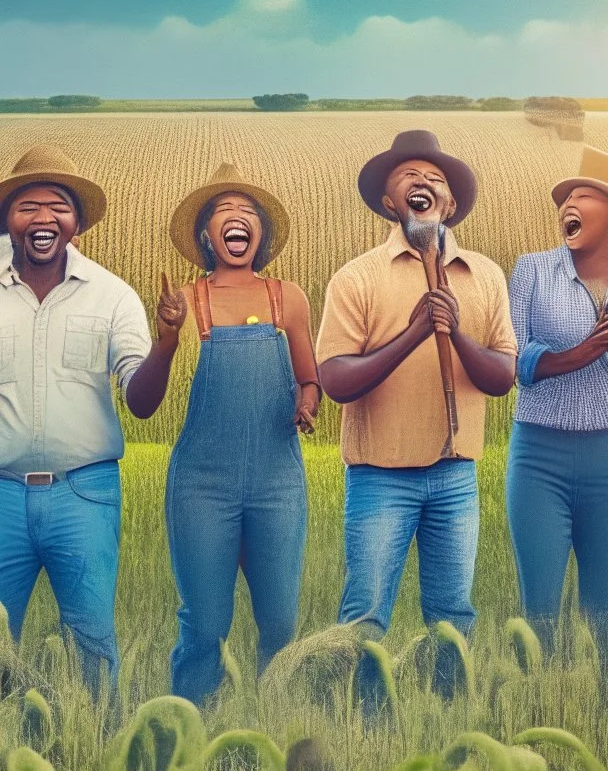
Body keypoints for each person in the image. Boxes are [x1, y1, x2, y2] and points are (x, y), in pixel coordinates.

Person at [316, 130, 517, 699]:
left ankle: (444, 720)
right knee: (366, 617)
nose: (423, 183)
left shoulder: (485, 276)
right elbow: (334, 382)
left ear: (450, 204)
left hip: (456, 476)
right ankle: (360, 726)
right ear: (388, 201)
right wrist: (410, 336)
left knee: (454, 616)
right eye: (408, 177)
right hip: (380, 476)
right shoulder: (356, 278)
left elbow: (502, 378)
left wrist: (455, 335)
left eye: (436, 179)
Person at [128, 162, 320, 705]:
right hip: (202, 483)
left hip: (277, 480)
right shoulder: (187, 301)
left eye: (247, 213)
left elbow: (310, 380)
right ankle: (191, 727)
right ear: (207, 238)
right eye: (223, 214)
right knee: (205, 624)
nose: (237, 220)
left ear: (259, 234)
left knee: (280, 623)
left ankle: (275, 726)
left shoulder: (289, 298)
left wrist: (307, 404)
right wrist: (166, 338)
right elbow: (143, 403)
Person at [0, 145, 153, 695]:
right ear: (6, 220)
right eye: (27, 206)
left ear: (77, 222)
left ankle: (95, 746)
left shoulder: (114, 296)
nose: (43, 217)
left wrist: (171, 341)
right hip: (1, 495)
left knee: (91, 645)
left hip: (84, 493)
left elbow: (138, 391)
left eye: (58, 206)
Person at [507, 144, 608, 675]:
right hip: (538, 457)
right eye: (565, 197)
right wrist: (582, 353)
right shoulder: (533, 270)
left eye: (584, 194)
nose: (569, 202)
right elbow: (512, 359)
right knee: (539, 613)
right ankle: (534, 714)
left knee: (604, 616)